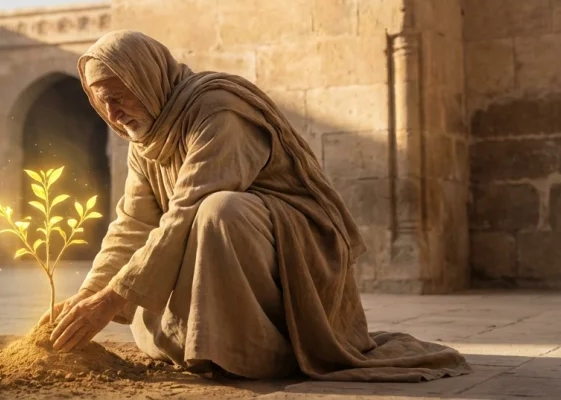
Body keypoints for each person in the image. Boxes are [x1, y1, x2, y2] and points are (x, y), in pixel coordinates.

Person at [41, 29, 470, 381]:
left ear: (148, 77)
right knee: (183, 247)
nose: (114, 112)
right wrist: (87, 297)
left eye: (121, 95)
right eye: (102, 100)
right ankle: (209, 343)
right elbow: (132, 223)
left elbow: (189, 208)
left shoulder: (217, 109)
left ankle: (262, 347)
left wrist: (114, 298)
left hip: (297, 246)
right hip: (223, 241)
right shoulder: (146, 137)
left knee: (219, 210)